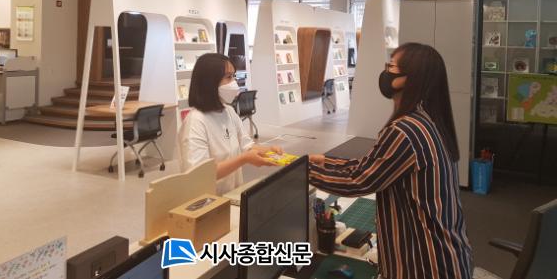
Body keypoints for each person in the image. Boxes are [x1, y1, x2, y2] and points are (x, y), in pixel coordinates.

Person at [309, 43, 473, 279]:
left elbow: (359, 181)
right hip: (449, 257)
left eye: (391, 67)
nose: (385, 72)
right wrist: (325, 162)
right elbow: (373, 166)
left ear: (410, 79)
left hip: (427, 266)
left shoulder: (405, 131)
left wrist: (303, 170)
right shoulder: (427, 120)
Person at [179, 53, 282, 194]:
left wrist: (270, 151)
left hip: (233, 194)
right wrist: (244, 159)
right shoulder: (196, 122)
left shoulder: (228, 111)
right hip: (209, 201)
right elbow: (199, 174)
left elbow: (247, 146)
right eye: (228, 77)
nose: (233, 82)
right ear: (209, 82)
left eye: (233, 76)